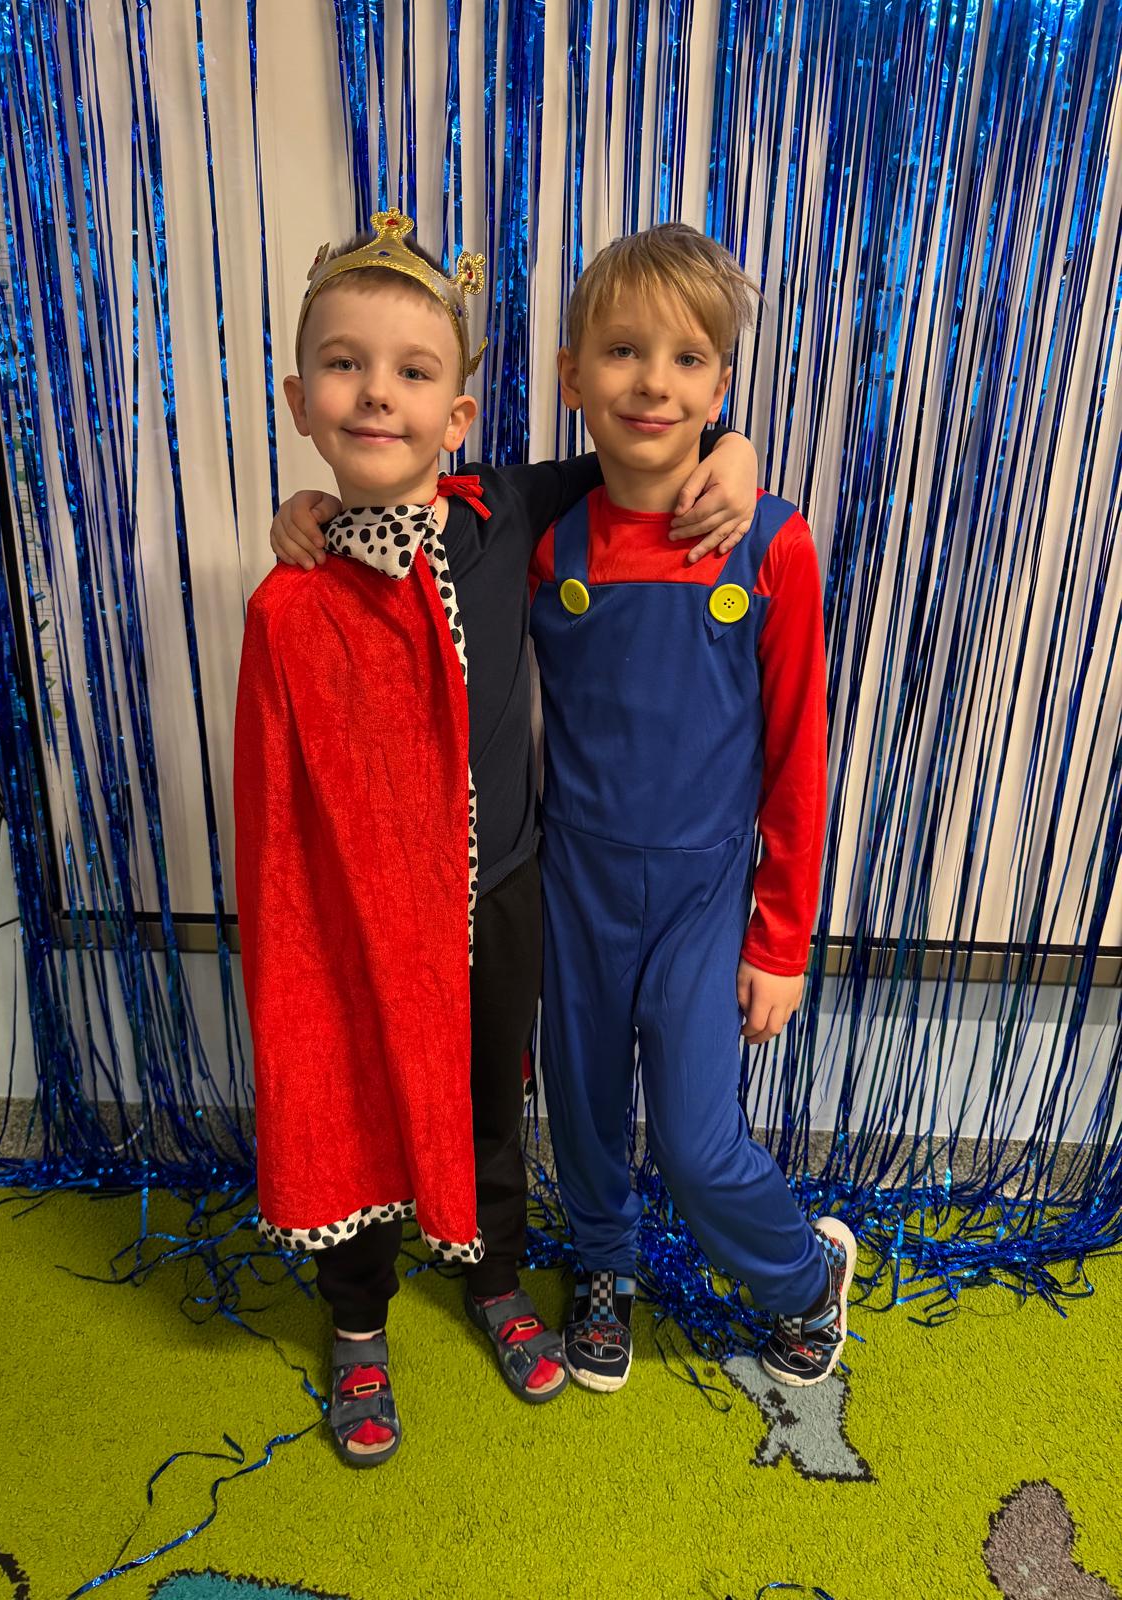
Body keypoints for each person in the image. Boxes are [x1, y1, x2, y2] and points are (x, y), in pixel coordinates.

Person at [241, 209, 760, 1468]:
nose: (379, 393)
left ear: (458, 415)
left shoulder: (505, 514)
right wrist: (299, 515)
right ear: (300, 401)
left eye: (414, 372)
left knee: (493, 1093)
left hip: (501, 890)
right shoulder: (289, 597)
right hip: (361, 916)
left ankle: (493, 1276)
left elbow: (638, 446)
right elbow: (274, 815)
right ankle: (358, 1319)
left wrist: (736, 447)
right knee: (357, 1089)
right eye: (345, 367)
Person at [527, 222, 857, 1394]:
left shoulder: (772, 541)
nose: (652, 383)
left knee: (696, 1138)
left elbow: (798, 754)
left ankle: (804, 1280)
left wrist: (781, 940)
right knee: (579, 1107)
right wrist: (314, 509)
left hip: (706, 891)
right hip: (575, 879)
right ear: (572, 375)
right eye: (622, 351)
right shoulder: (545, 539)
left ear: (721, 386)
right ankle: (602, 1262)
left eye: (685, 359)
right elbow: (423, 493)